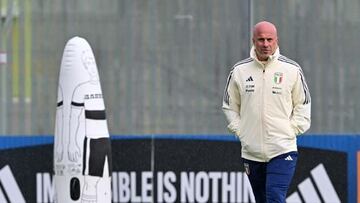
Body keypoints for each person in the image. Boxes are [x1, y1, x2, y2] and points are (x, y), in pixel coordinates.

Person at [222, 21, 311, 202]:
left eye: (269, 39)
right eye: (261, 39)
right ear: (253, 41)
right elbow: (229, 106)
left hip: (282, 149)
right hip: (251, 152)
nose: (265, 44)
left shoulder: (292, 69)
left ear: (276, 40)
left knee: (275, 197)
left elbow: (303, 104)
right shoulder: (239, 71)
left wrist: (290, 131)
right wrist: (242, 132)